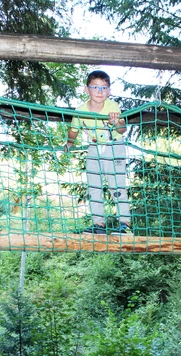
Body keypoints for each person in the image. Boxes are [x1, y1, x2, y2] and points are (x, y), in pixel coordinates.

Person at [66, 70, 131, 235]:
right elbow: (73, 130)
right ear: (86, 89)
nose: (100, 91)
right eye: (95, 87)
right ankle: (98, 225)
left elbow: (122, 129)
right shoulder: (80, 110)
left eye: (104, 87)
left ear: (109, 91)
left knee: (117, 185)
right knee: (94, 186)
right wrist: (69, 143)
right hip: (94, 147)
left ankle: (125, 224)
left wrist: (116, 122)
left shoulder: (112, 106)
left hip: (114, 146)